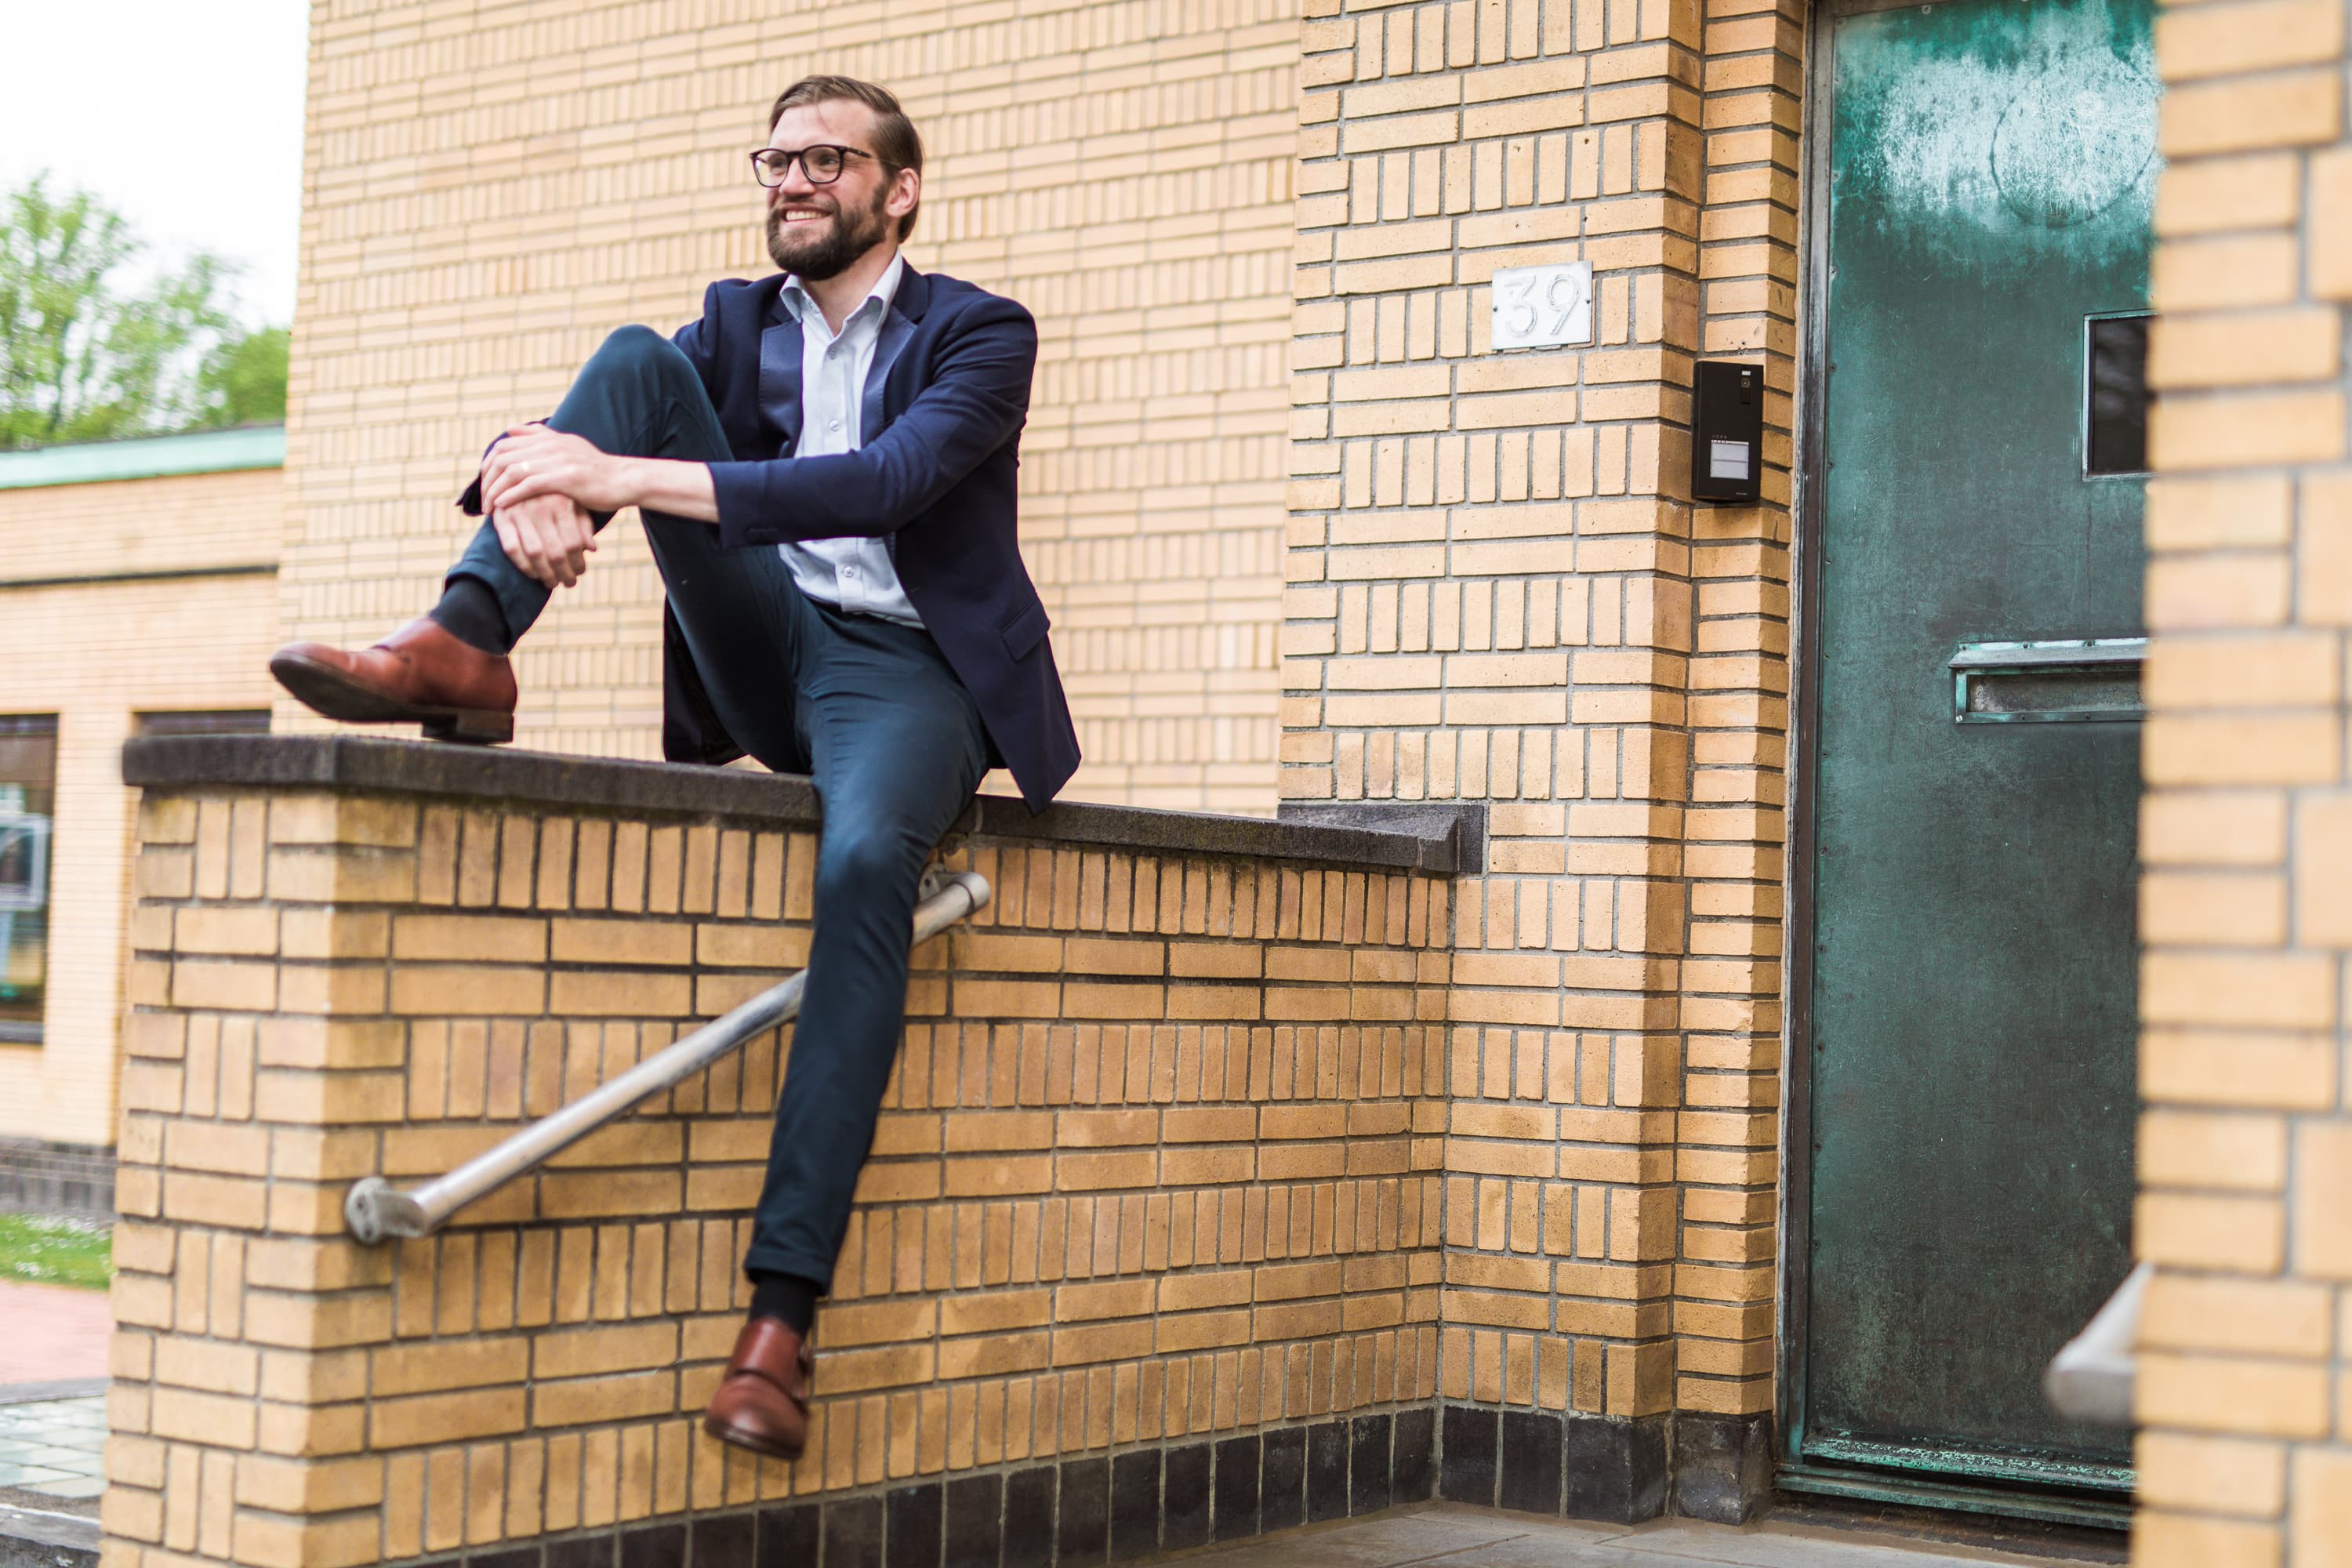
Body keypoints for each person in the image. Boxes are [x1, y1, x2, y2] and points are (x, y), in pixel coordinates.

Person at [269, 75, 1079, 1461]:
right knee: (636, 360)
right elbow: (584, 420)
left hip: (910, 677)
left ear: (901, 190)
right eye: (777, 157)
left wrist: (617, 483)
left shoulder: (980, 334)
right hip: (769, 638)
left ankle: (780, 1317)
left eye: (830, 158)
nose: (793, 180)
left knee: (868, 867)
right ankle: (463, 645)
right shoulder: (730, 326)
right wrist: (530, 483)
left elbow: (885, 484)